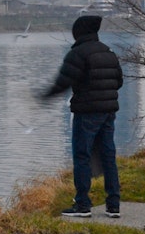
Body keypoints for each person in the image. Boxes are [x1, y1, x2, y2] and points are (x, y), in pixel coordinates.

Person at [43, 14, 123, 218]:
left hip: (86, 112)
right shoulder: (108, 52)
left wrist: (44, 96)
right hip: (108, 112)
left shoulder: (78, 54)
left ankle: (82, 205)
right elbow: (119, 81)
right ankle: (113, 205)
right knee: (108, 157)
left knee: (82, 156)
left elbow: (63, 82)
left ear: (78, 32)